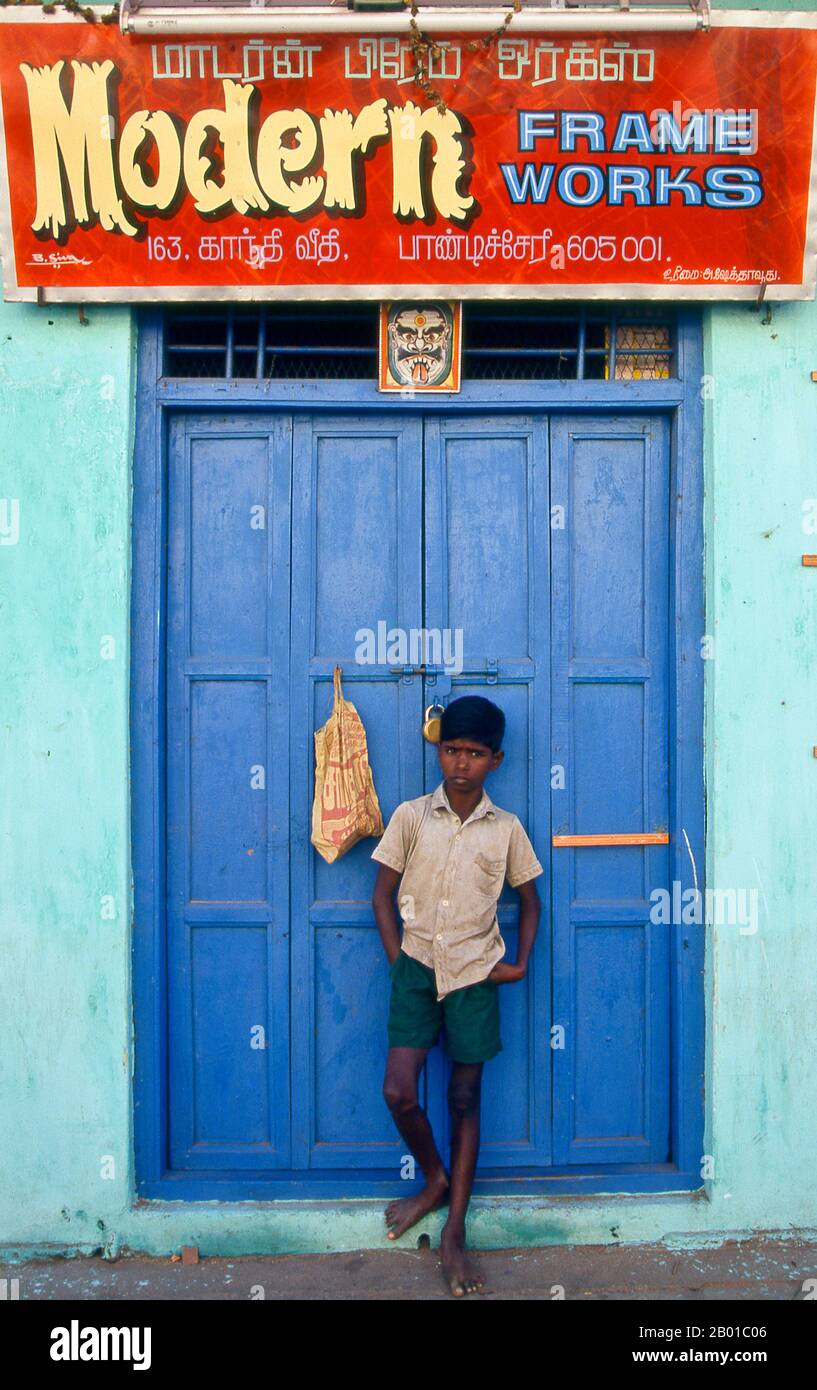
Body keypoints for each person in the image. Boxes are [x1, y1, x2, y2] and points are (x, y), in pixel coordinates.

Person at [371, 694, 543, 1297]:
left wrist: (518, 964)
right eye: (451, 750)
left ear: (495, 759)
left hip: (475, 974)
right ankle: (434, 1178)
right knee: (399, 1090)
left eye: (474, 753)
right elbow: (382, 895)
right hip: (416, 968)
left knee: (464, 1096)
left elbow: (530, 900)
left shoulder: (507, 830)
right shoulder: (413, 816)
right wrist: (400, 964)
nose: (461, 763)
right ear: (439, 752)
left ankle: (455, 1233)